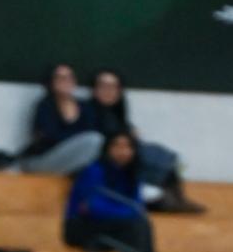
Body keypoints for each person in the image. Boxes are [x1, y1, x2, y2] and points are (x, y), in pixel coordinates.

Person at [84, 69, 203, 212]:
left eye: (113, 87)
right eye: (103, 86)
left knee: (160, 153)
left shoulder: (118, 112)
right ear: (95, 89)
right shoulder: (86, 112)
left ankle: (176, 197)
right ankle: (164, 199)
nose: (109, 91)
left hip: (127, 159)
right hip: (106, 163)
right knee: (151, 155)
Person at [64, 135, 170, 252]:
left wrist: (129, 212)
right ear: (107, 148)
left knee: (142, 224)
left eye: (127, 147)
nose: (122, 151)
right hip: (81, 227)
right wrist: (127, 212)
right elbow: (92, 207)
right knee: (135, 225)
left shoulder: (132, 174)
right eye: (117, 146)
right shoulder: (94, 171)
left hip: (113, 225)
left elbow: (137, 205)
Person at [18, 63, 101, 177]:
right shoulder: (45, 105)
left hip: (73, 161)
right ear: (51, 82)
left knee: (96, 142)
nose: (66, 81)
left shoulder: (85, 106)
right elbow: (49, 137)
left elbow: (90, 131)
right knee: (93, 140)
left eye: (69, 77)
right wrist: (75, 138)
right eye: (60, 78)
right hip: (45, 159)